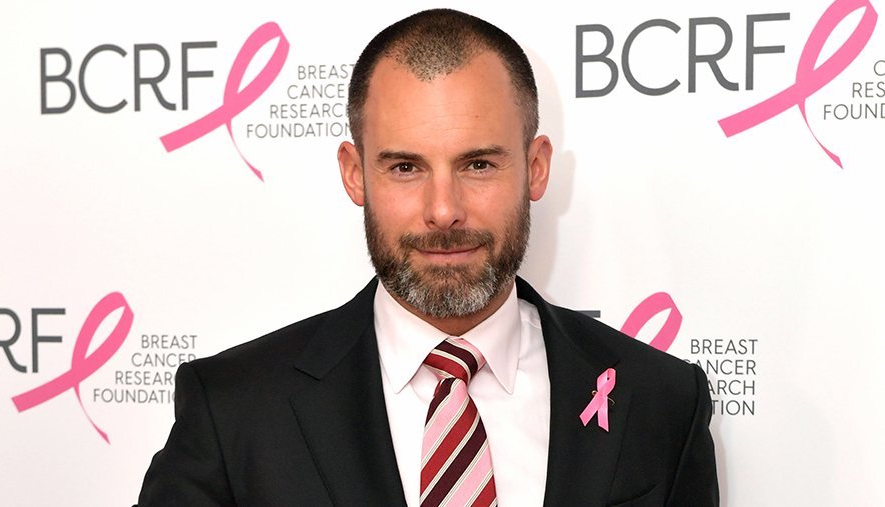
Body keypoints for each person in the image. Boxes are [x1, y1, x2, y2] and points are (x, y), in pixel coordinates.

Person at [138, 8, 718, 506]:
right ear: (354, 174)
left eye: (479, 164)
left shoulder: (662, 402)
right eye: (405, 167)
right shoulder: (233, 412)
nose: (444, 211)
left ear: (536, 167)